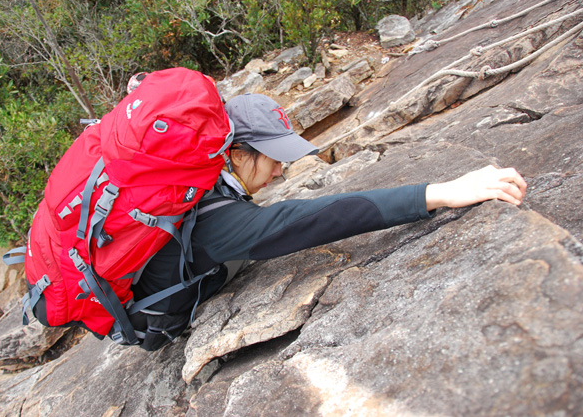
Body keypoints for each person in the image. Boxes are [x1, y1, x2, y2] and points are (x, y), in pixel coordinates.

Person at [129, 93, 527, 349]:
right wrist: (439, 194)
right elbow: (317, 220)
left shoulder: (197, 177)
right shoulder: (217, 220)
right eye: (274, 158)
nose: (281, 171)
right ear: (234, 153)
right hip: (158, 320)